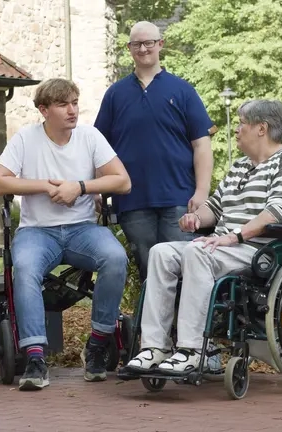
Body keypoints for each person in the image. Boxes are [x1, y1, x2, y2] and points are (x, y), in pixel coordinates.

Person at [123, 100, 282, 374]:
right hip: (226, 246)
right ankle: (155, 347)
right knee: (161, 252)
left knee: (197, 252)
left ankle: (191, 350)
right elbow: (215, 206)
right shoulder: (240, 166)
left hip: (266, 250)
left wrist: (233, 237)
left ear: (262, 128)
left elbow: (277, 211)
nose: (236, 130)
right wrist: (197, 219)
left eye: (241, 124)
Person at [0, 78, 132, 390]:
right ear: (44, 109)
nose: (72, 110)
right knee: (24, 268)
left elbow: (123, 181)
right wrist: (43, 185)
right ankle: (36, 357)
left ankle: (97, 343)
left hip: (82, 229)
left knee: (116, 257)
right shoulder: (26, 139)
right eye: (63, 104)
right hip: (37, 232)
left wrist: (79, 187)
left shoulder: (90, 136)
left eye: (75, 103)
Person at [94, 21, 215, 282]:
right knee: (149, 272)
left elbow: (201, 145)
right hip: (132, 201)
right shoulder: (115, 94)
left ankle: (186, 324)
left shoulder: (183, 91)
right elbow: (98, 147)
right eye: (136, 44)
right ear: (129, 48)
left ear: (160, 44)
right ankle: (154, 324)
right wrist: (95, 188)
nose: (143, 48)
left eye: (149, 42)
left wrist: (202, 191)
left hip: (179, 200)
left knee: (184, 269)